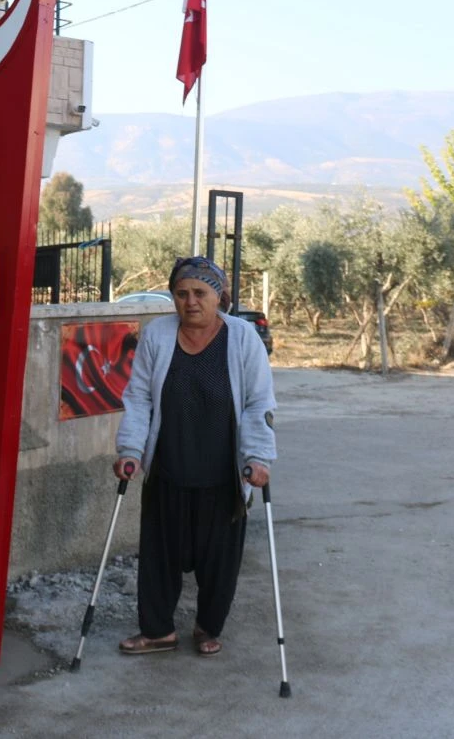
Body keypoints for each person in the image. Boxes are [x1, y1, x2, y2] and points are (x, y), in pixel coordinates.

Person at [113, 255, 277, 657]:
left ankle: (207, 627)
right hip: (168, 468)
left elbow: (259, 403)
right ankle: (157, 632)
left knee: (219, 561)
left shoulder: (242, 338)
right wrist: (130, 449)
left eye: (200, 293)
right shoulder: (158, 335)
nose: (190, 302)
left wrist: (258, 456)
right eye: (181, 293)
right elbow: (139, 397)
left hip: (223, 475)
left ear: (219, 296)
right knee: (159, 556)